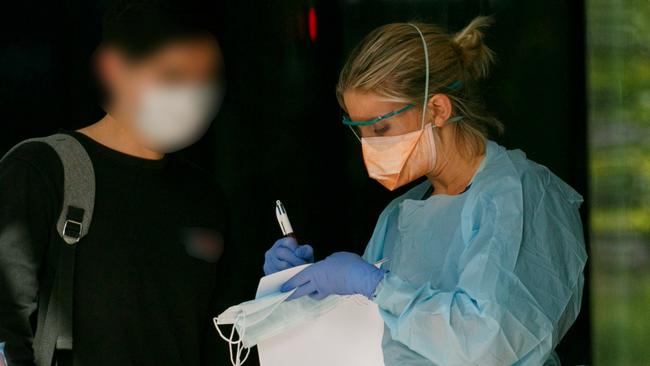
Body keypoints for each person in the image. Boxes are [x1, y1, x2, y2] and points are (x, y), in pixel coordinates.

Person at [263, 16, 587, 365]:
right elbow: (374, 339)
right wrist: (316, 292)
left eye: (381, 128)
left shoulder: (520, 195)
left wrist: (376, 285)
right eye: (360, 130)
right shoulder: (399, 216)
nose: (368, 148)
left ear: (437, 109)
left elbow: (487, 344)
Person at [0, 1, 229, 365]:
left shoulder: (206, 198)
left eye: (207, 79)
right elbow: (6, 328)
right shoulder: (41, 171)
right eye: (173, 77)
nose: (194, 96)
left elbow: (221, 341)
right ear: (114, 68)